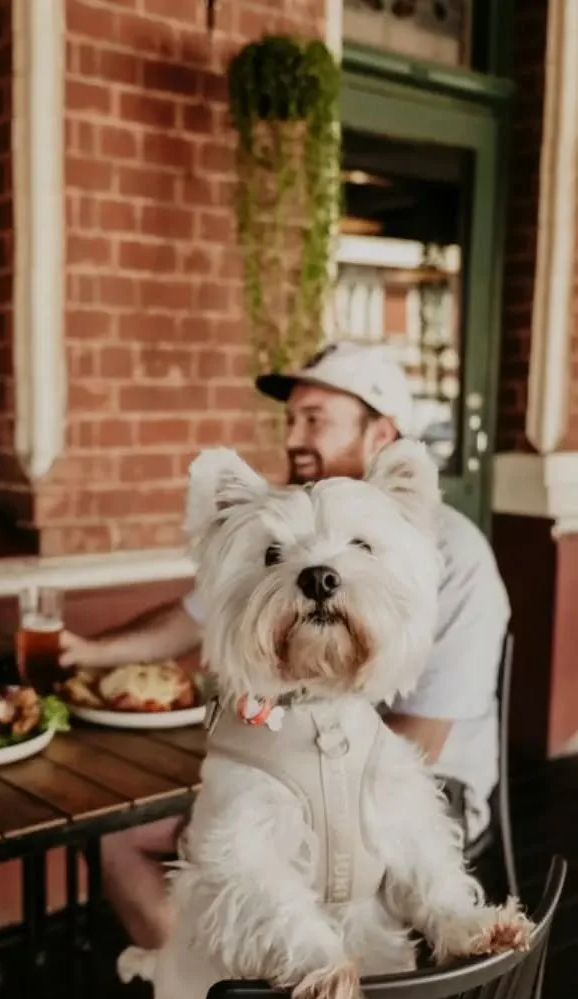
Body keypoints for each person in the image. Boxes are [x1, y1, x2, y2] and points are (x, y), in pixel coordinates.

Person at [62, 343, 511, 950]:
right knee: (119, 838)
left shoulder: (452, 553)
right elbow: (188, 619)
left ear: (381, 433)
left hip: (418, 790)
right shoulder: (280, 525)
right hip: (283, 769)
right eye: (291, 420)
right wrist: (86, 651)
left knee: (266, 858)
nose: (295, 437)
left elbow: (418, 745)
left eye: (316, 420)